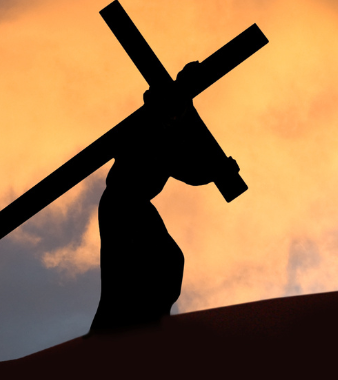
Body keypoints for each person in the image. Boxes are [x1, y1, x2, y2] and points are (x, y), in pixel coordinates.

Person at [89, 62, 240, 334]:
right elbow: (182, 166)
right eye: (173, 109)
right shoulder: (144, 129)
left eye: (180, 111)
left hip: (137, 205)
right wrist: (215, 171)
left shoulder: (171, 140)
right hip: (121, 203)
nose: (176, 116)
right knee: (124, 273)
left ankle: (151, 321)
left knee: (169, 261)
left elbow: (189, 170)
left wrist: (218, 171)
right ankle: (118, 331)